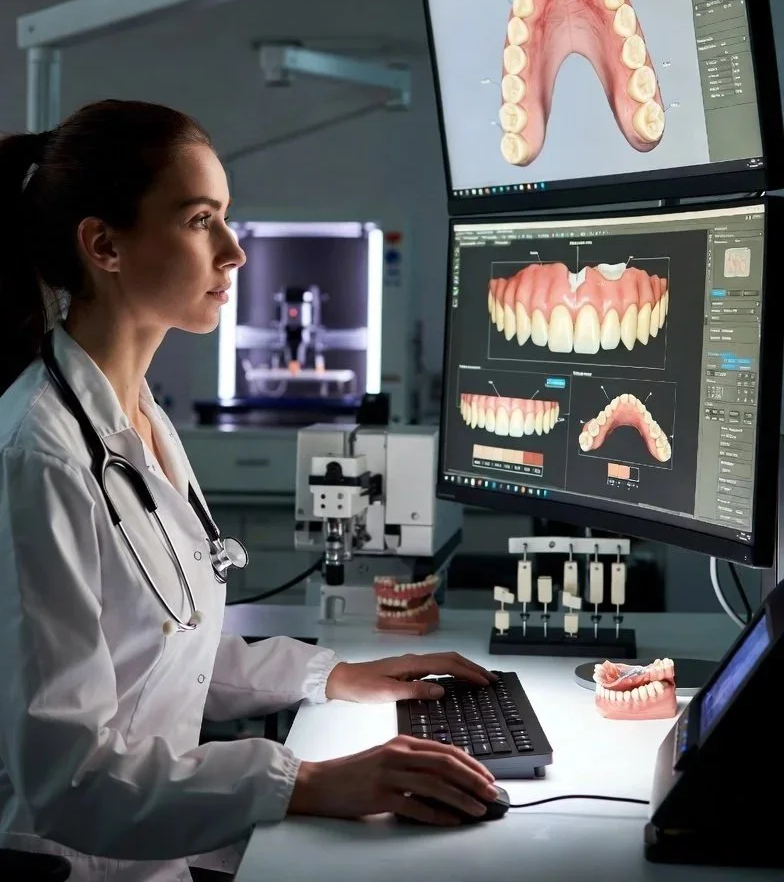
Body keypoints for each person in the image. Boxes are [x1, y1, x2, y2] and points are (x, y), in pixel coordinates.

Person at [0, 100, 499, 882]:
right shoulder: (41, 455)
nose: (235, 251)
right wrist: (307, 781)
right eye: (201, 220)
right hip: (78, 861)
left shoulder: (139, 421)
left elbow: (160, 652)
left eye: (226, 219)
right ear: (104, 245)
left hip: (153, 848)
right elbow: (69, 781)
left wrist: (329, 677)